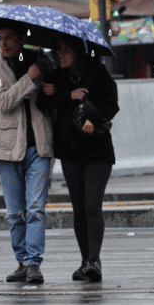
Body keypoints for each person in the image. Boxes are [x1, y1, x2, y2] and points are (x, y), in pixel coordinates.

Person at [38, 37, 119, 282]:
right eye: (58, 50)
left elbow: (112, 105)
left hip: (97, 151)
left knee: (92, 205)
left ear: (80, 53)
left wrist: (92, 122)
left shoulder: (99, 73)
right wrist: (66, 95)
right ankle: (85, 261)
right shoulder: (55, 77)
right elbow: (43, 103)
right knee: (79, 209)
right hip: (70, 152)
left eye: (66, 51)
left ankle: (95, 260)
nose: (60, 55)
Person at [0, 21, 53, 285]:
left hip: (40, 144)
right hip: (7, 146)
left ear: (22, 39)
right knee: (15, 212)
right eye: (0, 38)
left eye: (9, 38)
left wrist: (49, 88)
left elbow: (50, 101)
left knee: (36, 208)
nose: (3, 43)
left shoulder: (42, 61)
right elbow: (2, 102)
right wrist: (29, 79)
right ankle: (21, 262)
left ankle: (34, 263)